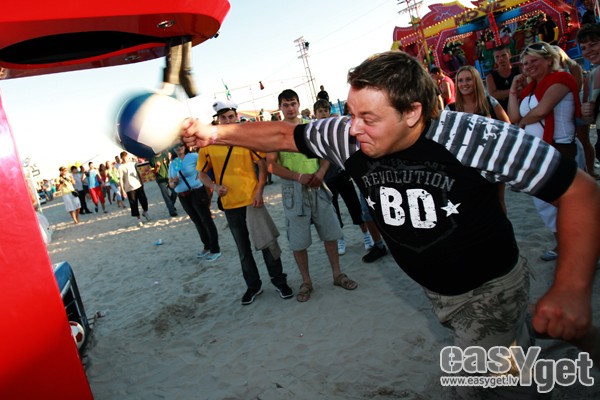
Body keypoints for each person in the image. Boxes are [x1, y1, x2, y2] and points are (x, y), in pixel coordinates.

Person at [182, 51, 600, 398]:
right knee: (519, 345)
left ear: (412, 112)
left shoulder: (475, 138)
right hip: (437, 291)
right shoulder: (348, 136)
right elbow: (282, 135)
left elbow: (581, 192)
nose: (353, 127)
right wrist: (213, 134)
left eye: (368, 117)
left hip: (487, 289)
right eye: (351, 113)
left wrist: (571, 288)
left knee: (483, 388)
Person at [265, 89, 357, 302]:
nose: (290, 108)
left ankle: (337, 274)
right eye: (286, 104)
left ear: (298, 104)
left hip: (317, 184)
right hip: (293, 189)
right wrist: (297, 176)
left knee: (330, 232)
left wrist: (321, 173)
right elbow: (271, 166)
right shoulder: (275, 132)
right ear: (280, 107)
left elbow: (326, 153)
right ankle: (306, 281)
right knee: (298, 241)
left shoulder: (311, 126)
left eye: (293, 103)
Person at [198, 100, 292, 304]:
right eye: (223, 118)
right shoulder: (209, 145)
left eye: (231, 117)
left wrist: (259, 192)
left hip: (252, 201)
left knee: (267, 243)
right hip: (230, 205)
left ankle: (279, 281)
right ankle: (253, 286)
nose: (227, 120)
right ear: (218, 119)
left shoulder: (246, 138)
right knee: (243, 250)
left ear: (236, 116)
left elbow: (262, 165)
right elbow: (202, 174)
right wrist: (214, 186)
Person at [507, 42, 585, 262]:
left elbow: (541, 111)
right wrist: (513, 91)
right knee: (545, 204)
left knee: (567, 203)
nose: (528, 66)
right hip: (539, 153)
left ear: (549, 60)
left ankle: (585, 249)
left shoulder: (561, 79)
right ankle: (563, 246)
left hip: (560, 150)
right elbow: (513, 116)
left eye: (534, 61)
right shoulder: (530, 88)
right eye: (525, 63)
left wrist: (522, 123)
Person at [314, 98, 387, 260]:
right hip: (327, 178)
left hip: (343, 173)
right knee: (334, 210)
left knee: (355, 206)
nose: (323, 113)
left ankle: (366, 235)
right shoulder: (314, 132)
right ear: (315, 114)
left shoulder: (337, 127)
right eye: (320, 111)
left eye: (326, 110)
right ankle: (341, 239)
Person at [169, 143, 221, 261]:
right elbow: (170, 182)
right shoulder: (173, 163)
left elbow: (208, 165)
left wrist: (201, 175)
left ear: (185, 146)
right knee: (197, 221)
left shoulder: (193, 156)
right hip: (183, 195)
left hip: (196, 192)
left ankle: (215, 249)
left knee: (206, 220)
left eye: (181, 145)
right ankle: (207, 246)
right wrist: (173, 182)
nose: (179, 147)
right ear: (173, 149)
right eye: (176, 146)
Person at [578, 23, 600, 177]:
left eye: (593, 44)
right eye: (584, 48)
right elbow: (588, 119)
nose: (588, 51)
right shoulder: (590, 77)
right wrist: (585, 111)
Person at [118, 151, 150, 225]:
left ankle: (145, 211)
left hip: (138, 184)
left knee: (144, 200)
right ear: (121, 158)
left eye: (126, 157)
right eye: (123, 158)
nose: (125, 159)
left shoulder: (133, 164)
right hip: (129, 188)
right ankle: (138, 218)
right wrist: (122, 190)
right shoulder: (120, 167)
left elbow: (138, 173)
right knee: (133, 203)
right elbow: (121, 179)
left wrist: (141, 181)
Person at [486, 46, 520, 112]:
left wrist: (502, 94)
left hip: (520, 106)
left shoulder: (519, 70)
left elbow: (526, 88)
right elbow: (493, 95)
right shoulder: (490, 77)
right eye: (497, 57)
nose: (501, 59)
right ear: (494, 59)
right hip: (502, 110)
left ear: (509, 55)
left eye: (504, 55)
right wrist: (515, 91)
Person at [150, 151, 178, 217]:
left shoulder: (164, 155)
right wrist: (157, 166)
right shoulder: (152, 159)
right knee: (166, 196)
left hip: (168, 177)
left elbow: (169, 165)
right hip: (160, 180)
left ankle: (171, 205)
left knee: (175, 192)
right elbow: (154, 172)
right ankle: (172, 211)